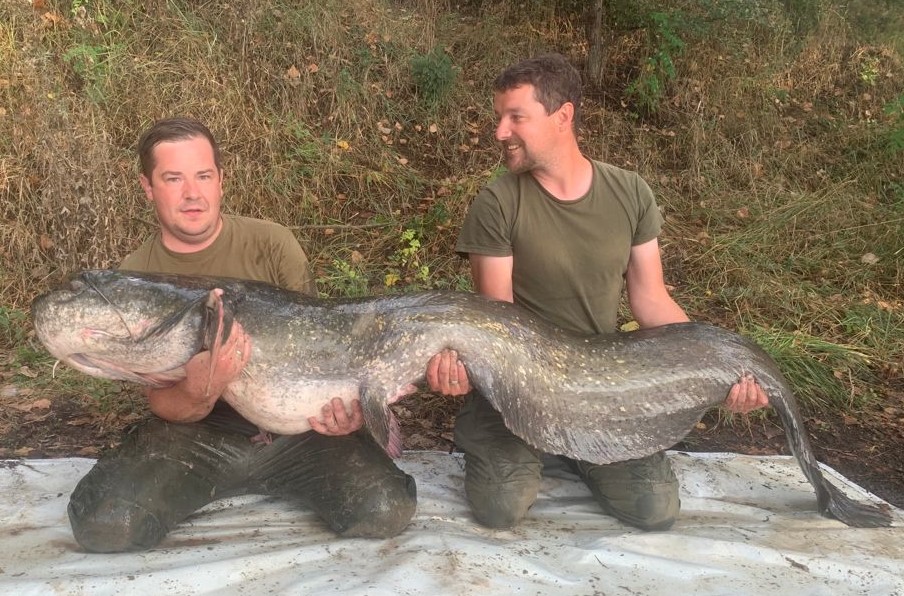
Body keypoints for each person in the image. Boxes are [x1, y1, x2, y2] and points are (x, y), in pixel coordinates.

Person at [425, 54, 769, 531]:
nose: (500, 132)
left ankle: (577, 452)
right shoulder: (497, 203)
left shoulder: (630, 192)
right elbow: (497, 326)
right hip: (516, 390)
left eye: (516, 117)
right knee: (500, 507)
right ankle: (536, 448)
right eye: (499, 118)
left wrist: (718, 365)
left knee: (654, 510)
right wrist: (460, 369)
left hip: (603, 388)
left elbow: (652, 302)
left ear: (562, 116)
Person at [67, 117, 416, 552]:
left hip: (299, 435)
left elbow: (324, 349)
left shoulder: (272, 244)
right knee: (105, 525)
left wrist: (349, 412)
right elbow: (162, 402)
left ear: (220, 180)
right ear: (148, 186)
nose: (192, 193)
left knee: (385, 509)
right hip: (195, 438)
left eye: (203, 176)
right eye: (173, 179)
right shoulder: (136, 276)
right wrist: (199, 389)